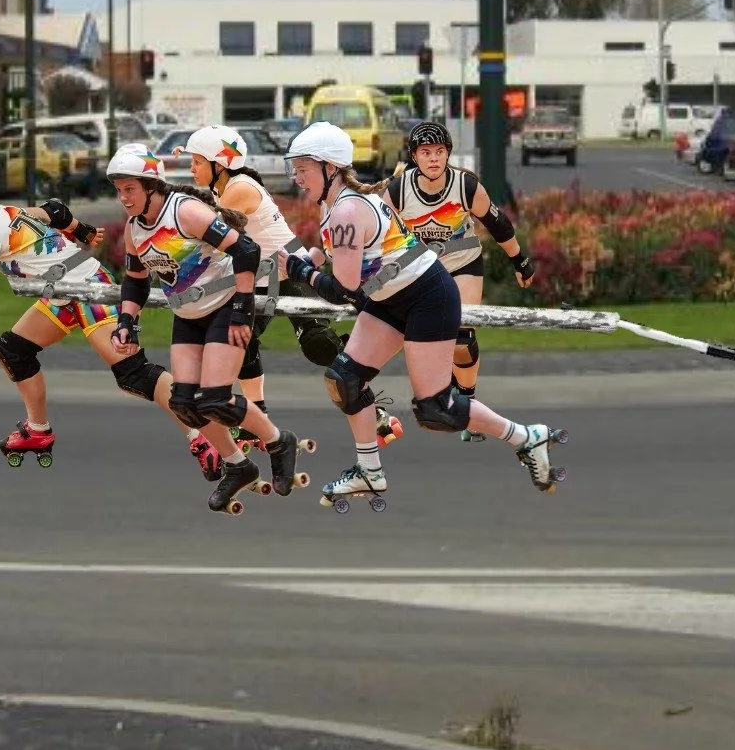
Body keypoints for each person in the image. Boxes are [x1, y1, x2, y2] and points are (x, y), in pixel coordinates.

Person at [281, 121, 565, 510]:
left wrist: (300, 271)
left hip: (426, 296)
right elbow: (343, 262)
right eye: (294, 169)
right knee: (344, 379)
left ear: (330, 168)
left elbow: (343, 290)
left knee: (435, 410)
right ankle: (370, 472)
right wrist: (308, 259)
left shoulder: (347, 208)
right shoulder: (339, 204)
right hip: (391, 297)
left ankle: (525, 437)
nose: (296, 178)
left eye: (303, 169)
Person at [0, 171, 214, 478]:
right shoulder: (5, 213)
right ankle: (38, 430)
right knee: (14, 351)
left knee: (135, 374)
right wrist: (83, 231)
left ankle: (204, 431)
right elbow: (54, 211)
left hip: (89, 291)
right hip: (65, 294)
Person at [172, 125, 403, 452]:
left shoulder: (239, 188)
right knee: (242, 339)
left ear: (219, 164)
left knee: (317, 344)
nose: (192, 168)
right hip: (263, 279)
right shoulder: (228, 186)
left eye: (197, 161)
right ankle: (256, 418)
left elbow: (196, 225)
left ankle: (374, 409)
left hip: (290, 271)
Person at [107, 144, 309, 514]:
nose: (123, 198)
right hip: (188, 315)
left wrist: (242, 305)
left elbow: (246, 249)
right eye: (119, 190)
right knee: (184, 403)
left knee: (215, 397)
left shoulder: (185, 212)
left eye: (130, 189)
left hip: (224, 308)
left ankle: (281, 442)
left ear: (152, 186)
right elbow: (135, 280)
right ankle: (239, 465)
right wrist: (126, 322)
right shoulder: (136, 230)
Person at [385, 119, 535, 441]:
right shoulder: (397, 190)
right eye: (426, 153)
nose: (434, 159)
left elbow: (498, 224)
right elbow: (377, 237)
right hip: (419, 267)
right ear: (414, 156)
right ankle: (440, 396)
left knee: (463, 338)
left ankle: (467, 400)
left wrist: (519, 261)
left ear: (448, 154)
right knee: (404, 331)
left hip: (462, 259)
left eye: (440, 152)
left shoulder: (464, 185)